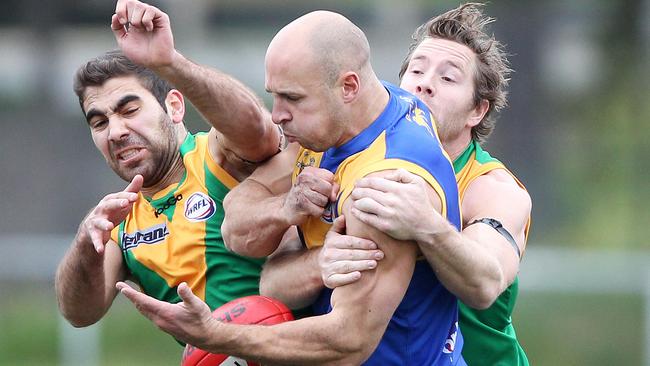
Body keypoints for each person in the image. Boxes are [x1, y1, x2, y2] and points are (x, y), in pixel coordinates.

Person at [117, 8, 466, 366]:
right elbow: (235, 225)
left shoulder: (382, 188)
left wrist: (215, 335)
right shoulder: (352, 118)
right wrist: (286, 207)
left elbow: (349, 341)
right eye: (275, 95)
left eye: (292, 98)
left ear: (349, 86)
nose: (278, 115)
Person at [313, 4, 534, 365]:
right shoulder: (356, 159)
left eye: (448, 78)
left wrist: (426, 224)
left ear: (477, 110)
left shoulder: (491, 187)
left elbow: (485, 284)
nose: (424, 83)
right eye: (416, 70)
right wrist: (316, 259)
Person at [54, 0, 282, 330]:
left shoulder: (216, 155)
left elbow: (258, 129)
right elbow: (79, 313)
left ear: (174, 107)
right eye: (100, 122)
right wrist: (84, 244)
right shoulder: (120, 223)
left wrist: (170, 63)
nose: (116, 132)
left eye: (129, 110)